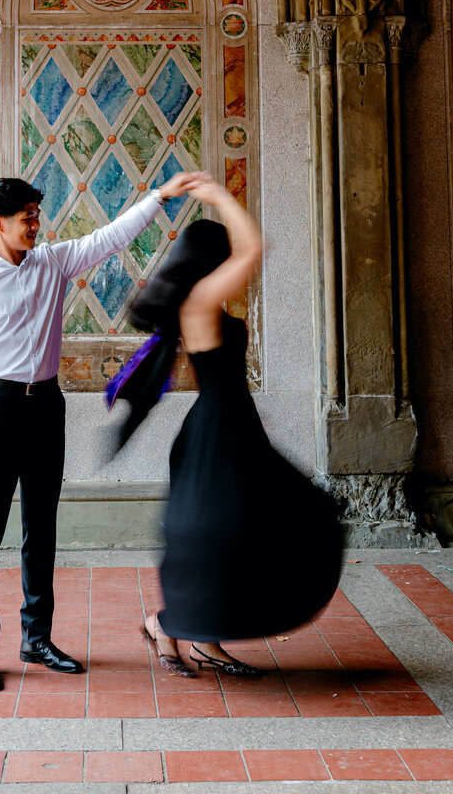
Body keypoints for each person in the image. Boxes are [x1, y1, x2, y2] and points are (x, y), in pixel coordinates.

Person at [0, 171, 204, 691]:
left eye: (38, 214)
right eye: (27, 217)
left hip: (45, 407)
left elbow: (111, 237)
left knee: (42, 528)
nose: (38, 223)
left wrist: (156, 196)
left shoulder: (54, 262)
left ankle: (36, 639)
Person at [108, 180, 343, 678]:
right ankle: (167, 624)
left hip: (228, 422)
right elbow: (255, 246)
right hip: (218, 426)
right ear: (212, 260)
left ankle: (190, 635)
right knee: (223, 532)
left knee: (238, 530)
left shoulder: (202, 303)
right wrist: (218, 194)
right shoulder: (199, 300)